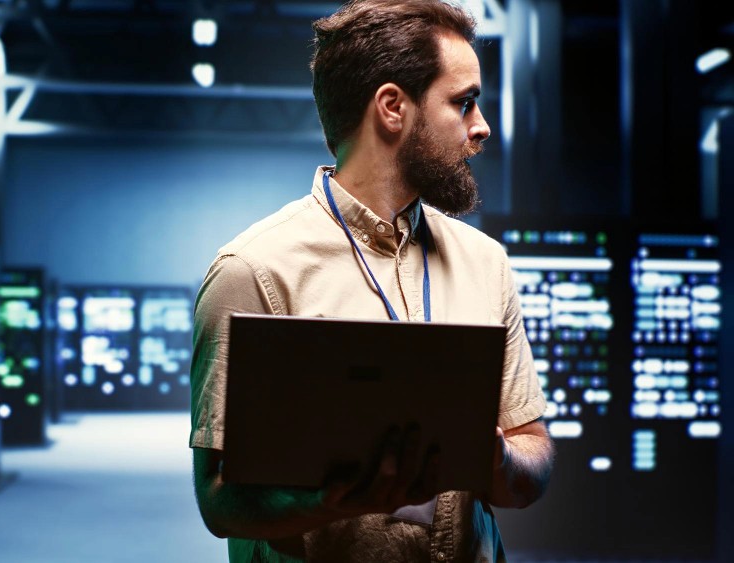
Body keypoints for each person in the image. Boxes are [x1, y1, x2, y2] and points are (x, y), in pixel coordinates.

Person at [189, 0, 555, 561]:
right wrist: (334, 499)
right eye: (464, 102)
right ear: (392, 108)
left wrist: (498, 459)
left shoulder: (486, 263)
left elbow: (533, 455)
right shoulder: (253, 272)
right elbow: (219, 503)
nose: (481, 127)